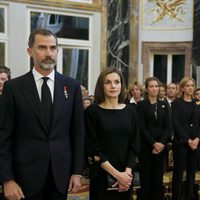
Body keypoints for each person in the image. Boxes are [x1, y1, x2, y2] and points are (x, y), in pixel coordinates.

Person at [0, 29, 85, 200]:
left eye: (53, 48)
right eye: (42, 47)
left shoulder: (72, 86)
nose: (48, 53)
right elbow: (4, 137)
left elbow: (78, 133)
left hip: (61, 176)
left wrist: (77, 172)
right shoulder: (13, 88)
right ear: (30, 51)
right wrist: (7, 179)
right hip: (23, 178)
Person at [85, 68, 140, 200]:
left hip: (126, 176)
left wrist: (126, 173)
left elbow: (135, 144)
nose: (113, 86)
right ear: (101, 86)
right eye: (108, 82)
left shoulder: (131, 111)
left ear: (122, 85)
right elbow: (93, 148)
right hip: (102, 175)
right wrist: (117, 175)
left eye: (117, 82)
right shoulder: (92, 111)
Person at [137, 77, 170, 200]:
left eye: (156, 86)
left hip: (160, 149)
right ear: (146, 89)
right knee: (146, 180)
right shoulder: (141, 105)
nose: (154, 88)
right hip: (146, 148)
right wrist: (153, 144)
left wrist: (161, 143)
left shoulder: (164, 105)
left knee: (157, 180)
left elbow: (168, 127)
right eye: (151, 86)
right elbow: (141, 127)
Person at [171, 77, 200, 200]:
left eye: (192, 85)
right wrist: (188, 140)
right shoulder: (176, 103)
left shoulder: (197, 103)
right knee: (178, 173)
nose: (190, 88)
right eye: (187, 85)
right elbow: (176, 124)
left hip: (195, 143)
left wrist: (197, 139)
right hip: (181, 143)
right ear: (182, 88)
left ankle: (189, 196)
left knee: (191, 173)